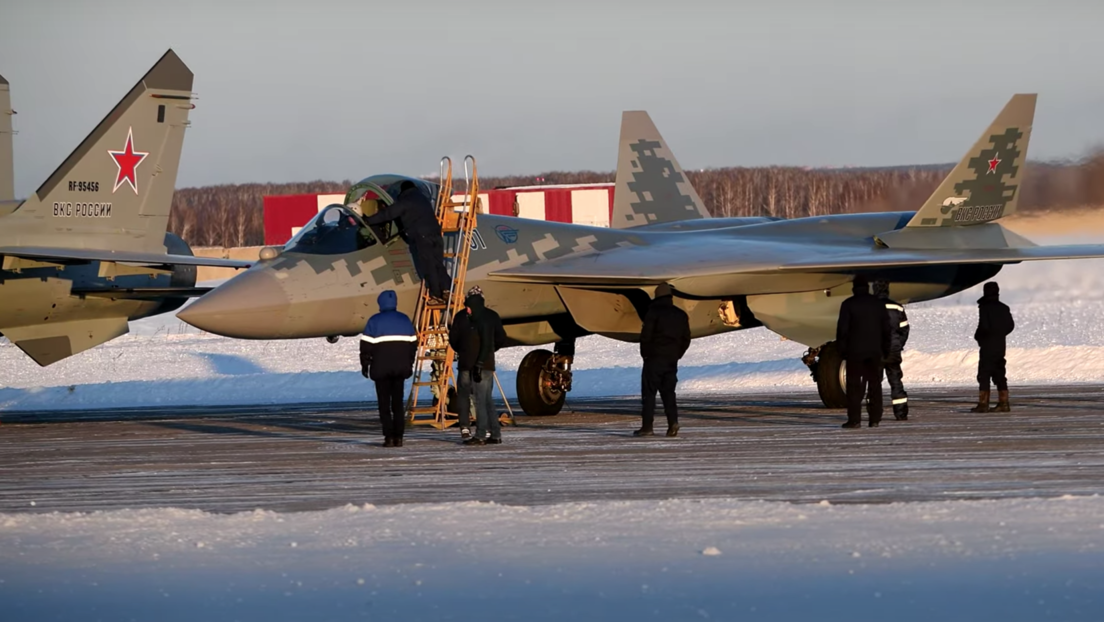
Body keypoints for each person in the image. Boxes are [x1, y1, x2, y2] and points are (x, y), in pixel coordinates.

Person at [364, 180, 451, 303]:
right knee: (438, 263)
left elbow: (388, 214)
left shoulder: (405, 201)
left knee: (428, 265)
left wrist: (368, 221)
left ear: (403, 191)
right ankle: (447, 289)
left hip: (422, 237)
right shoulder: (423, 199)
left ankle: (436, 294)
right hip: (436, 235)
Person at [360, 289, 418, 447]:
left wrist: (365, 365)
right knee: (398, 404)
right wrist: (409, 363)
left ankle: (388, 437)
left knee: (384, 404)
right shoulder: (405, 320)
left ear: (380, 303)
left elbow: (365, 347)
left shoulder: (374, 321)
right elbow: (413, 345)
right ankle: (399, 437)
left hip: (381, 369)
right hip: (400, 369)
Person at [634, 283, 691, 438]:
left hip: (654, 358)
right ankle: (673, 422)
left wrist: (645, 354)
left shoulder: (653, 312)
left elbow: (646, 336)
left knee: (649, 394)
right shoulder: (680, 314)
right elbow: (686, 338)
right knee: (669, 393)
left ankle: (647, 427)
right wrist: (677, 354)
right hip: (671, 360)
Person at [452, 286, 507, 446]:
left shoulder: (467, 317)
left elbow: (454, 339)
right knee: (485, 399)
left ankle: (480, 433)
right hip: (486, 362)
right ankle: (495, 433)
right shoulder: (491, 316)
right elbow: (500, 338)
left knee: (476, 398)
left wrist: (464, 351)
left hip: (473, 363)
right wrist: (490, 351)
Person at [836, 276, 892, 429]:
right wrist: (886, 350)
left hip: (855, 352)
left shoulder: (848, 304)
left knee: (854, 386)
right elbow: (886, 329)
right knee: (875, 385)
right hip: (875, 351)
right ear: (867, 288)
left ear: (854, 288)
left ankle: (854, 420)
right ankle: (875, 418)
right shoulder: (878, 305)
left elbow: (843, 330)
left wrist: (842, 350)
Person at [972, 281, 1015, 413]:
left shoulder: (985, 307)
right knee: (999, 373)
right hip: (1000, 345)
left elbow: (983, 326)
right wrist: (1000, 334)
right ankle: (1004, 403)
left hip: (987, 346)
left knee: (984, 375)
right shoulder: (1004, 308)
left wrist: (978, 337)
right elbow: (1010, 326)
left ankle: (983, 404)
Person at [874, 281, 910, 420]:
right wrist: (898, 345)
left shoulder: (871, 307)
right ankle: (901, 413)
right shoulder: (897, 307)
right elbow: (904, 329)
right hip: (893, 351)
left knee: (874, 383)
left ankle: (875, 414)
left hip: (875, 351)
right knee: (896, 381)